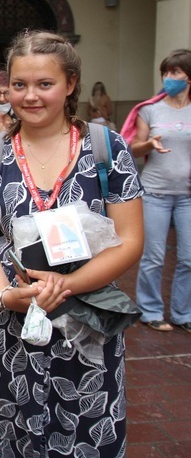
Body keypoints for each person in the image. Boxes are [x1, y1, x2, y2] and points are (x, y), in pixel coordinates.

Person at [0, 31, 144, 458]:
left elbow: (130, 241)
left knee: (81, 439)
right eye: (20, 85)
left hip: (84, 326)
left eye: (45, 84)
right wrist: (6, 295)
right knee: (4, 438)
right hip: (6, 330)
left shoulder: (106, 149)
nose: (30, 96)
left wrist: (68, 286)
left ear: (71, 84)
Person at [126, 49, 191, 333]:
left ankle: (183, 313)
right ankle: (151, 311)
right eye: (165, 73)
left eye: (175, 73)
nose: (168, 78)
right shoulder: (149, 109)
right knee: (153, 256)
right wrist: (149, 144)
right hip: (155, 193)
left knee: (189, 258)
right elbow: (133, 147)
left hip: (188, 195)